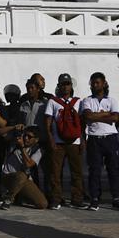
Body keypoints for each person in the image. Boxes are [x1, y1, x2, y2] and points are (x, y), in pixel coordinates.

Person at [80, 73, 119, 211]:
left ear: (104, 84)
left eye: (98, 83)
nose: (95, 85)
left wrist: (96, 116)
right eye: (93, 83)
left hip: (110, 138)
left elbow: (115, 119)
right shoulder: (87, 100)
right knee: (94, 170)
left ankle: (116, 198)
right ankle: (94, 199)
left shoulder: (111, 100)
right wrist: (106, 114)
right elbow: (87, 116)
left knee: (114, 169)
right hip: (94, 138)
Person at [44, 74, 85, 210]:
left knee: (76, 172)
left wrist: (83, 140)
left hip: (75, 141)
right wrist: (51, 140)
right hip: (58, 142)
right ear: (59, 86)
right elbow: (48, 123)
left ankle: (77, 198)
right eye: (63, 84)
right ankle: (56, 199)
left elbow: (82, 123)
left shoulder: (79, 102)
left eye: (67, 84)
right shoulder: (53, 102)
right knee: (55, 172)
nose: (65, 86)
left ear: (71, 86)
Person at [0, 126, 47, 210]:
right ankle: (8, 199)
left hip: (24, 180)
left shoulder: (37, 150)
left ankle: (19, 195)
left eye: (29, 137)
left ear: (36, 140)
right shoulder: (14, 142)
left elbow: (28, 164)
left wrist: (22, 148)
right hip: (8, 177)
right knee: (22, 175)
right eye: (25, 135)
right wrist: (13, 127)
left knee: (42, 204)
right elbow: (0, 132)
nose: (26, 138)